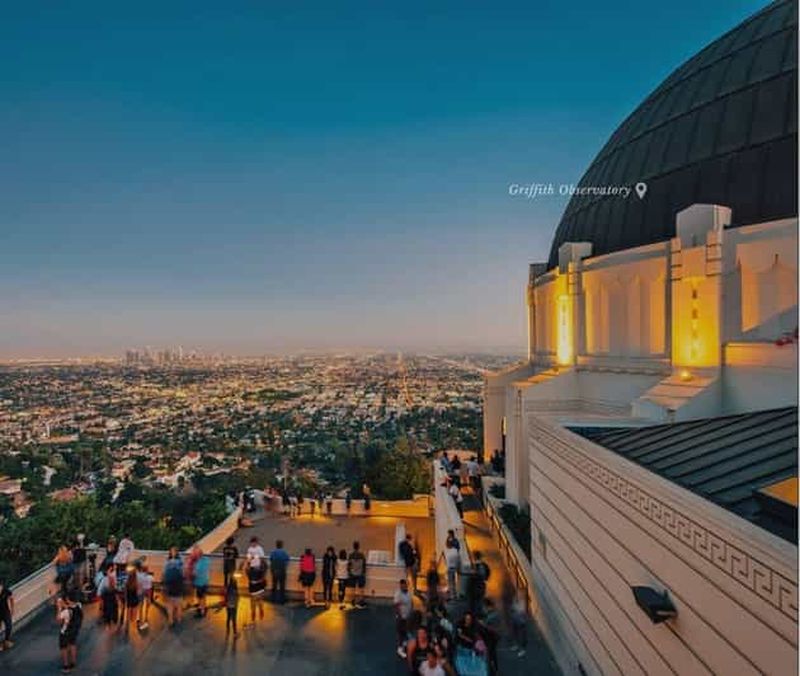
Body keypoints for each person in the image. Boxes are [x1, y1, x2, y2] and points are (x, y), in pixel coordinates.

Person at [57, 591, 83, 674]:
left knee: (63, 648)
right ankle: (73, 662)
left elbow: (58, 620)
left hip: (65, 632)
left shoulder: (65, 612)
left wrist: (59, 608)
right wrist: (64, 605)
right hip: (74, 630)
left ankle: (66, 666)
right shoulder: (79, 605)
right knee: (72, 644)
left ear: (68, 599)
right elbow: (71, 606)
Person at [163, 547, 184, 627]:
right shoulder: (180, 561)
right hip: (178, 583)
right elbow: (182, 572)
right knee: (178, 602)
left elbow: (164, 573)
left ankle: (171, 619)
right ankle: (178, 618)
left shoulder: (167, 562)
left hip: (170, 584)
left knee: (170, 602)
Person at [393, 578, 413, 659]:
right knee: (401, 633)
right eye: (402, 586)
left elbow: (411, 602)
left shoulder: (409, 593)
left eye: (405, 585)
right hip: (401, 617)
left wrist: (411, 612)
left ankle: (404, 644)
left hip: (407, 616)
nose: (404, 587)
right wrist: (400, 616)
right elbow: (396, 605)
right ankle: (400, 649)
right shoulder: (398, 594)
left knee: (406, 631)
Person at [246, 555, 267, 626]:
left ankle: (253, 620)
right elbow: (265, 567)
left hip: (253, 591)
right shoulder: (261, 571)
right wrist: (260, 559)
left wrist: (249, 560)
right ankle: (261, 613)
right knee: (260, 602)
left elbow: (246, 568)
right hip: (260, 589)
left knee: (253, 606)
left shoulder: (249, 572)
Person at [191, 546, 210, 617]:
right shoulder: (206, 560)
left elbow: (195, 573)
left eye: (194, 553)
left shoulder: (198, 563)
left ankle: (201, 611)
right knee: (203, 595)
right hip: (205, 581)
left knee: (200, 597)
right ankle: (204, 607)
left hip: (200, 582)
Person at [348, 541, 367, 608]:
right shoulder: (362, 555)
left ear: (353, 547)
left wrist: (350, 572)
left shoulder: (351, 555)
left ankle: (353, 600)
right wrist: (363, 572)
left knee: (353, 588)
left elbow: (349, 565)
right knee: (361, 588)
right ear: (358, 547)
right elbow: (364, 565)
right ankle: (361, 600)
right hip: (360, 573)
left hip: (353, 573)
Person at [269, 540, 290, 604]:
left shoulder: (273, 552)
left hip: (274, 571)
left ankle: (273, 599)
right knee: (282, 586)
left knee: (274, 585)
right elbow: (287, 560)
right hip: (282, 571)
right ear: (282, 545)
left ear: (276, 545)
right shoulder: (284, 553)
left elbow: (271, 559)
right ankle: (282, 600)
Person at [98, 563, 118, 628]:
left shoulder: (105, 578)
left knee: (108, 608)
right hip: (111, 594)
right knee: (113, 607)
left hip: (107, 594)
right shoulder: (113, 576)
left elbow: (100, 590)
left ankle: (108, 621)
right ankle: (113, 620)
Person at [509, 589, 528, 657]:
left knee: (522, 635)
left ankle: (522, 650)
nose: (518, 595)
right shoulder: (515, 599)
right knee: (515, 633)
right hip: (515, 619)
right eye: (518, 593)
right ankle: (516, 645)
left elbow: (521, 610)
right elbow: (512, 607)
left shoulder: (523, 602)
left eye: (520, 594)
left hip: (521, 621)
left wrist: (515, 607)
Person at [136, 562, 153, 630]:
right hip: (147, 591)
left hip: (140, 591)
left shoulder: (137, 575)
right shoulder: (150, 577)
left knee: (140, 605)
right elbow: (150, 587)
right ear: (147, 570)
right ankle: (145, 617)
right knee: (147, 604)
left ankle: (139, 618)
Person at [0, 578, 14, 651]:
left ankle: (6, 641)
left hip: (5, 612)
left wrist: (12, 609)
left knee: (9, 626)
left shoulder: (6, 591)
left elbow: (11, 599)